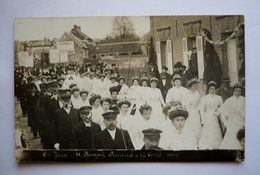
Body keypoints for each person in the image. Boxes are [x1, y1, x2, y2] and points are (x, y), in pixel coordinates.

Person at [219, 82, 245, 150]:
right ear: (233, 91)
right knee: (231, 139)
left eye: (239, 91)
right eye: (236, 91)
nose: (238, 92)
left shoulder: (244, 100)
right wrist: (225, 123)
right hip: (232, 123)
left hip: (241, 122)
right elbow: (223, 113)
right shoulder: (229, 101)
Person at [198, 81, 223, 150]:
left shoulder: (219, 98)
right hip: (207, 116)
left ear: (216, 89)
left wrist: (218, 112)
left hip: (215, 116)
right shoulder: (204, 98)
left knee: (215, 130)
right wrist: (202, 119)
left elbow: (221, 107)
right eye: (211, 89)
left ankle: (216, 144)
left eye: (214, 89)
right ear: (208, 90)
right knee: (207, 130)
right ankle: (207, 145)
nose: (212, 90)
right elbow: (202, 110)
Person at [182, 78, 202, 144]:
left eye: (195, 86)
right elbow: (185, 104)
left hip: (196, 111)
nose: (195, 87)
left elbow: (199, 102)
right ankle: (190, 141)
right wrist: (188, 112)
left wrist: (198, 108)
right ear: (190, 86)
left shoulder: (196, 93)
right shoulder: (186, 94)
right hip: (189, 112)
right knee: (190, 125)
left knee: (197, 126)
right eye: (194, 86)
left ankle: (197, 141)